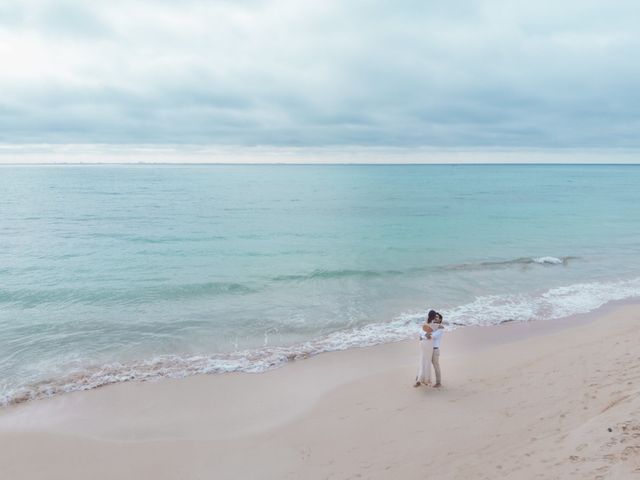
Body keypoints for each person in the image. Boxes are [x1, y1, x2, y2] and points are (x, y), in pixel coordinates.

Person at [414, 310, 438, 387]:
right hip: (428, 344)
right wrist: (426, 336)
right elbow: (431, 337)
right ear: (434, 317)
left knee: (422, 360)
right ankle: (426, 380)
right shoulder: (434, 325)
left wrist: (423, 337)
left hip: (422, 343)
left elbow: (421, 334)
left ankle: (419, 379)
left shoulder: (424, 324)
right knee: (427, 361)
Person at [430, 313, 444, 387]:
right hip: (428, 349)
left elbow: (432, 336)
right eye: (435, 317)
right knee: (423, 364)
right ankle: (419, 380)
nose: (435, 318)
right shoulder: (432, 327)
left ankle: (438, 383)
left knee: (436, 366)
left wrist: (427, 334)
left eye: (437, 317)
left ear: (440, 319)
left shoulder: (440, 329)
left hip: (435, 350)